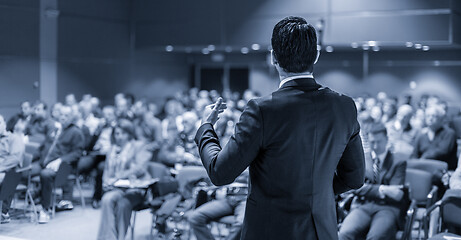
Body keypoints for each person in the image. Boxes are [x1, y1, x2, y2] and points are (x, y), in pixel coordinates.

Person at [194, 16, 365, 240]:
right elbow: (354, 179)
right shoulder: (344, 106)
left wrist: (206, 128)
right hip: (322, 232)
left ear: (273, 57)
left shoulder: (262, 110)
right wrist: (314, 194)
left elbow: (219, 172)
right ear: (316, 55)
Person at [338, 123, 407, 240]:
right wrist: (383, 189)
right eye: (372, 142)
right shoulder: (362, 160)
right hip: (363, 205)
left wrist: (367, 188)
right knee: (344, 234)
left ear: (386, 139)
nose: (375, 146)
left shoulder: (398, 162)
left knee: (376, 237)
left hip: (387, 208)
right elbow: (355, 187)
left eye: (379, 142)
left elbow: (396, 193)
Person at [97, 119, 153, 240]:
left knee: (123, 204)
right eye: (117, 134)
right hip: (117, 188)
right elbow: (106, 170)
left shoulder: (139, 146)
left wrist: (119, 176)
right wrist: (105, 181)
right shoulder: (112, 149)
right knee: (106, 199)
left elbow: (140, 168)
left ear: (129, 133)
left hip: (135, 188)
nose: (119, 137)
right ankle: (109, 237)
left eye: (123, 133)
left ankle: (120, 237)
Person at [38, 105, 85, 224]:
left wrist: (60, 160)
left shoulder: (76, 132)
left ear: (72, 117)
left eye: (66, 115)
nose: (63, 117)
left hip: (64, 167)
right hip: (43, 162)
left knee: (45, 174)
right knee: (18, 171)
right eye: (61, 115)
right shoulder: (55, 129)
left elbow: (77, 153)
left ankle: (45, 209)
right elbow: (43, 147)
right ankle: (4, 210)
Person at [412, 105, 458, 170]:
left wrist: (423, 159)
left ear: (441, 119)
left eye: (434, 116)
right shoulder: (421, 134)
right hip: (423, 168)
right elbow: (414, 154)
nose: (430, 118)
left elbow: (442, 152)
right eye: (428, 116)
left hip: (442, 170)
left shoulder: (449, 133)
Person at [0, 114, 25, 223]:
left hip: (12, 171)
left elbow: (15, 158)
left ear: (4, 124)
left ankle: (3, 212)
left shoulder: (14, 138)